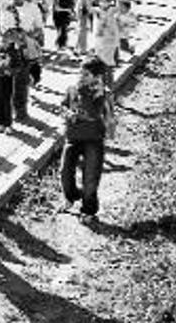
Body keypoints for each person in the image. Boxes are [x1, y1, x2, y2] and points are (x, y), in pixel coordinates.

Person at [59, 57, 115, 225]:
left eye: (86, 74)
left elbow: (99, 114)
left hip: (94, 139)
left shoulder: (103, 95)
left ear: (97, 77)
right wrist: (68, 113)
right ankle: (71, 196)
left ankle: (88, 209)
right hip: (73, 137)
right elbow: (62, 106)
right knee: (65, 172)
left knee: (90, 177)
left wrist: (95, 94)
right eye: (80, 72)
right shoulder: (71, 89)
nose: (81, 76)